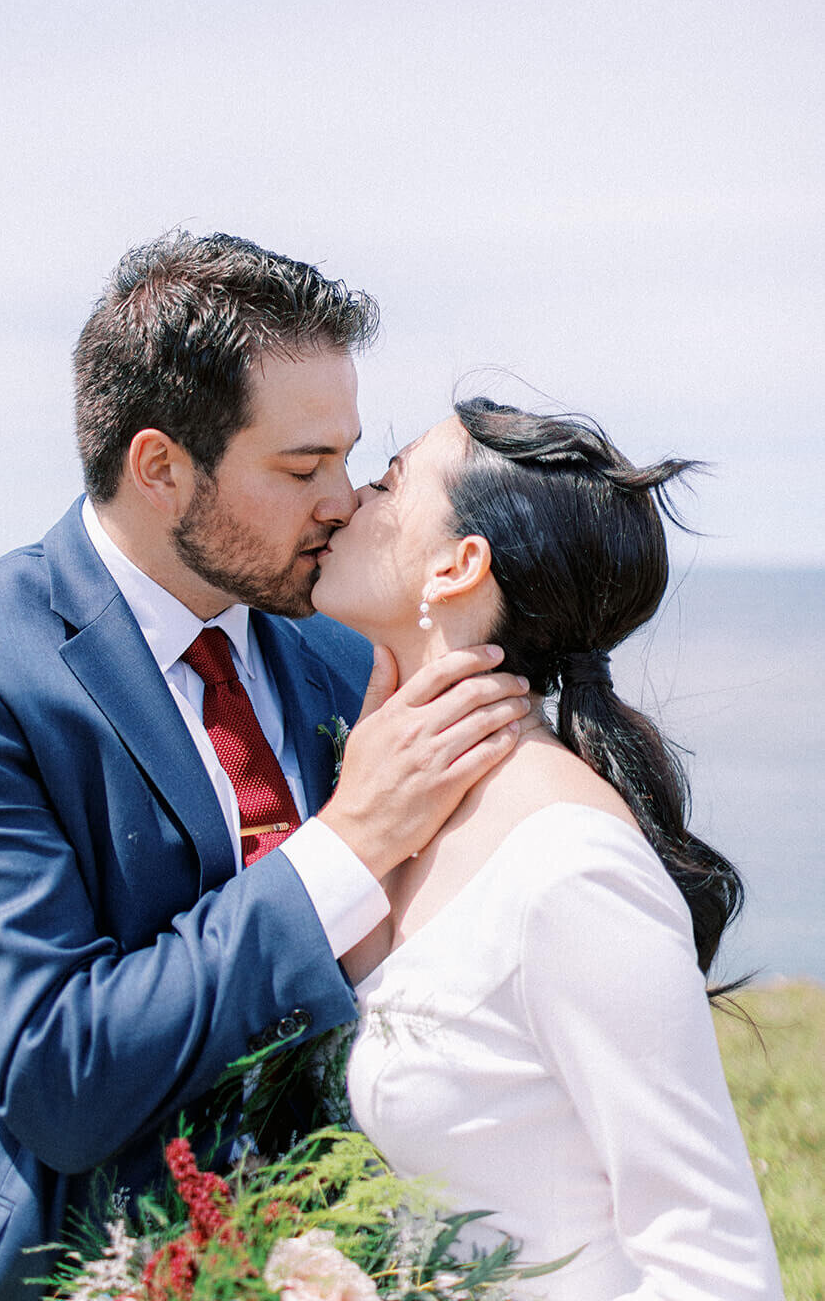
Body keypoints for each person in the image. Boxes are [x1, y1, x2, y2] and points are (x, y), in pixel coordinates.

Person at [0, 234, 529, 1301]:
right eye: (300, 467)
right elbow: (57, 1071)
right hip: (36, 1257)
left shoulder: (347, 657)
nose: (342, 500)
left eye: (346, 455)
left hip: (321, 1250)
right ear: (159, 467)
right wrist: (346, 842)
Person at [315, 400, 786, 1301]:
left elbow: (717, 1265)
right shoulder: (399, 809)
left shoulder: (568, 868)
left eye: (385, 483)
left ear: (458, 567)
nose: (345, 502)